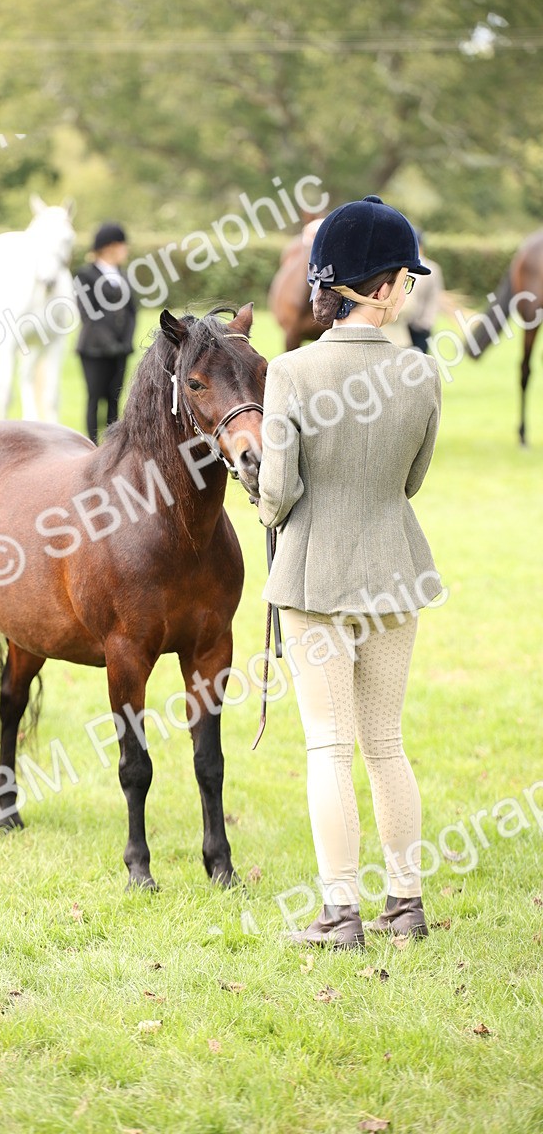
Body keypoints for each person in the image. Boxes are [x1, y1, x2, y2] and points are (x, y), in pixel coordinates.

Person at [257, 195, 442, 950]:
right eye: (407, 280)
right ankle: (406, 905)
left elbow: (278, 493)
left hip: (316, 576)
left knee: (329, 745)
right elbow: (413, 480)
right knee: (385, 743)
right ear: (386, 286)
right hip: (394, 570)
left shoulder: (290, 371)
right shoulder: (422, 373)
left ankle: (340, 914)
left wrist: (267, 503)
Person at [75, 222, 137, 443]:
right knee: (95, 398)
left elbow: (132, 311)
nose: (125, 250)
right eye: (122, 245)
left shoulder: (122, 274)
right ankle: (91, 444)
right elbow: (89, 314)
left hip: (120, 349)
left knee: (114, 399)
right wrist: (109, 342)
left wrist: (126, 340)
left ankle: (112, 445)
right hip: (94, 349)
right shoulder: (85, 275)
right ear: (110, 246)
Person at [391, 230, 445, 354]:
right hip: (402, 322)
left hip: (420, 324)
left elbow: (434, 297)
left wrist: (426, 322)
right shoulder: (400, 265)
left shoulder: (433, 269)